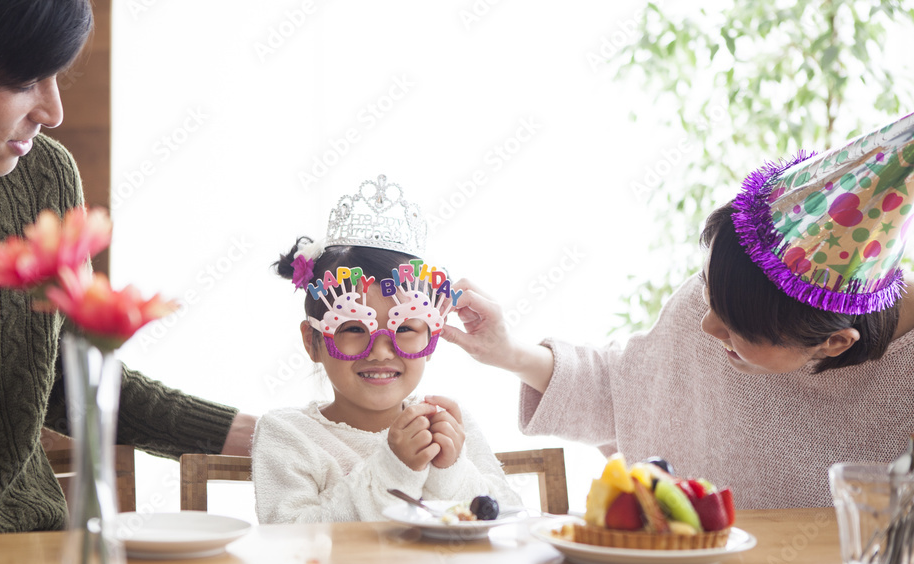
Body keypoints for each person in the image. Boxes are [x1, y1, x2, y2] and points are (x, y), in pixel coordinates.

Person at [442, 113, 914, 510]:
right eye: (708, 293)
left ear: (834, 342)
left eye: (734, 329)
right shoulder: (726, 297)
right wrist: (507, 351)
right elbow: (624, 392)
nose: (707, 326)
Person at [0, 0, 254, 535]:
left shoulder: (42, 177)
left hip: (25, 555)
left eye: (55, 76)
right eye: (24, 79)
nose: (52, 112)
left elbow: (63, 378)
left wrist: (273, 438)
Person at [252, 175, 521, 523]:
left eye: (405, 327)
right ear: (312, 341)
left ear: (430, 339)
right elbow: (289, 542)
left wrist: (451, 471)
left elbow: (508, 517)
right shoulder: (288, 435)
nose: (380, 351)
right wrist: (393, 468)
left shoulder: (450, 425)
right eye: (352, 327)